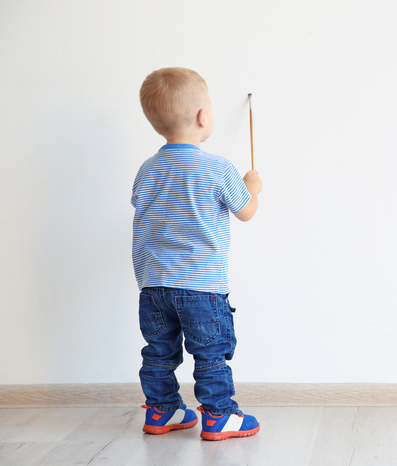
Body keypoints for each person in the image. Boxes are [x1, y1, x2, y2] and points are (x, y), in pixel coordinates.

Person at [131, 67, 262, 441]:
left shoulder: (147, 169)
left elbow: (142, 205)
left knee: (158, 351)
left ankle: (162, 411)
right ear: (204, 117)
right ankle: (220, 416)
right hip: (201, 287)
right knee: (210, 355)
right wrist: (252, 187)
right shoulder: (219, 168)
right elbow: (246, 212)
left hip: (153, 285)